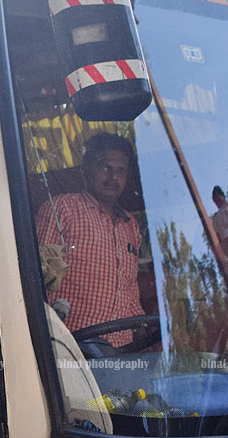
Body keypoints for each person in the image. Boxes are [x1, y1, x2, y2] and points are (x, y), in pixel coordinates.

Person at [35, 132, 146, 347]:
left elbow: (130, 289)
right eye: (105, 168)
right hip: (71, 348)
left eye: (120, 171)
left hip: (121, 351)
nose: (113, 177)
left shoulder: (130, 225)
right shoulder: (62, 209)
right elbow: (40, 281)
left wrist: (143, 333)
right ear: (86, 170)